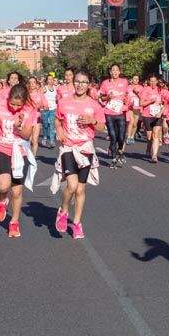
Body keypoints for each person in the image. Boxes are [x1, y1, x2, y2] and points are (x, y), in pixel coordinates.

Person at [53, 72, 106, 240]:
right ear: (73, 83)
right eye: (78, 81)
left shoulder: (94, 105)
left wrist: (92, 121)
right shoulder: (64, 102)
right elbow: (57, 119)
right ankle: (63, 210)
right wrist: (60, 130)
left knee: (81, 188)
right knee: (72, 184)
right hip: (68, 147)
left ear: (89, 84)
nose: (80, 85)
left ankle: (76, 223)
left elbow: (102, 128)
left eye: (84, 82)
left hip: (85, 148)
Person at [0, 84, 39, 239]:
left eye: (18, 105)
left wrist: (19, 126)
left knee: (16, 191)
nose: (14, 107)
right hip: (2, 147)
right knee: (3, 185)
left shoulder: (29, 110)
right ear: (8, 99)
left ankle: (14, 222)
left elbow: (27, 135)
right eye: (12, 104)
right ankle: (2, 201)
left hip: (20, 152)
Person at [98, 64, 130, 168]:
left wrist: (126, 104)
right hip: (109, 113)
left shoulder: (124, 82)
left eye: (117, 70)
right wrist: (108, 97)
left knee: (121, 137)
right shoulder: (105, 83)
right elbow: (101, 98)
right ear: (110, 72)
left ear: (119, 72)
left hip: (120, 112)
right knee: (112, 135)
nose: (115, 72)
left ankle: (120, 151)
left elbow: (128, 96)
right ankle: (114, 158)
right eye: (113, 70)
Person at [137, 75, 164, 164]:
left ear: (157, 81)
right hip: (147, 115)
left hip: (157, 115)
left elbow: (165, 103)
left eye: (154, 81)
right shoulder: (145, 90)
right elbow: (141, 103)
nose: (153, 83)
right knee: (150, 137)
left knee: (155, 135)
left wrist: (161, 110)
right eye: (151, 81)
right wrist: (150, 101)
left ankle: (154, 155)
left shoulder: (160, 90)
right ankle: (148, 147)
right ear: (148, 82)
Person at [26, 76, 46, 156]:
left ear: (36, 84)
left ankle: (33, 157)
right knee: (28, 139)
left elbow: (45, 105)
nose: (32, 84)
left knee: (35, 139)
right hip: (27, 119)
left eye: (33, 82)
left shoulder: (40, 94)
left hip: (37, 118)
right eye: (30, 82)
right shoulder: (26, 94)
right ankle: (27, 155)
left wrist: (40, 106)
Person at [40, 75, 58, 148]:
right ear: (47, 81)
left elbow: (57, 98)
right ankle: (44, 138)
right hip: (45, 109)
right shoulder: (44, 88)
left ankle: (51, 140)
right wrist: (43, 105)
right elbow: (40, 97)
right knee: (45, 124)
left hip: (53, 109)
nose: (50, 81)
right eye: (49, 79)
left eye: (52, 79)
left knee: (52, 124)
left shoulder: (55, 88)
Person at [126, 74, 142, 144]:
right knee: (131, 121)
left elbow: (143, 97)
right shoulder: (128, 87)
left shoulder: (141, 88)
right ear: (131, 80)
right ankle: (128, 137)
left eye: (137, 79)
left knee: (135, 124)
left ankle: (132, 136)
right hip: (130, 107)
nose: (136, 80)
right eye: (134, 79)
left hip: (137, 107)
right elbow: (125, 96)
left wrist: (137, 93)